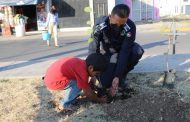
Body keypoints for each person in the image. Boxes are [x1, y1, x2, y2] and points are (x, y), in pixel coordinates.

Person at [88, 4, 144, 97]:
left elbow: (124, 52)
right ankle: (106, 75)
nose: (118, 27)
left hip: (122, 51)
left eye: (121, 24)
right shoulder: (100, 25)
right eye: (115, 24)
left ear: (126, 19)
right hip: (107, 53)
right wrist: (92, 73)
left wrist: (117, 76)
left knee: (137, 51)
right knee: (106, 83)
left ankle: (122, 75)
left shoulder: (130, 27)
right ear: (110, 16)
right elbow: (93, 48)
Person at [44, 53, 108, 111]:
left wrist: (90, 84)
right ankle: (65, 104)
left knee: (80, 83)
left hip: (50, 77)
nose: (96, 76)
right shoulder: (82, 72)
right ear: (91, 68)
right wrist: (99, 100)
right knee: (78, 84)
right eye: (96, 73)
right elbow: (88, 93)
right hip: (53, 82)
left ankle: (70, 97)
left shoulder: (82, 63)